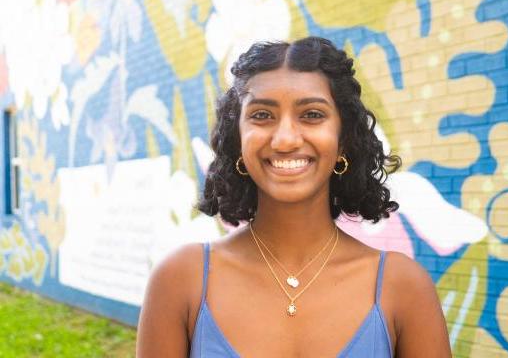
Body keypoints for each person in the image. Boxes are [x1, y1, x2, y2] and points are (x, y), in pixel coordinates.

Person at [136, 37, 451, 357]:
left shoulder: (403, 287)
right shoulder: (180, 280)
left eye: (312, 114)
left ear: (342, 141)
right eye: (261, 115)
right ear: (238, 140)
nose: (285, 139)